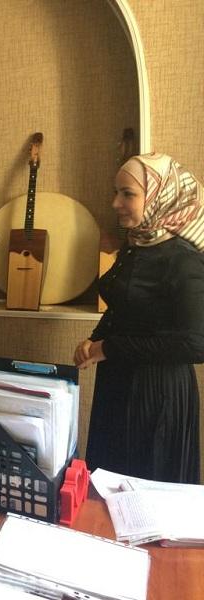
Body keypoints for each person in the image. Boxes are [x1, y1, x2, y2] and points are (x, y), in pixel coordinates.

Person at [74, 153, 204, 484]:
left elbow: (196, 344)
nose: (115, 203)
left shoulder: (183, 259)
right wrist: (94, 339)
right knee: (108, 485)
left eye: (127, 194)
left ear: (162, 197)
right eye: (116, 192)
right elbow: (123, 305)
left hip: (157, 396)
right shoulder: (136, 244)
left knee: (142, 494)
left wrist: (108, 348)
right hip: (117, 381)